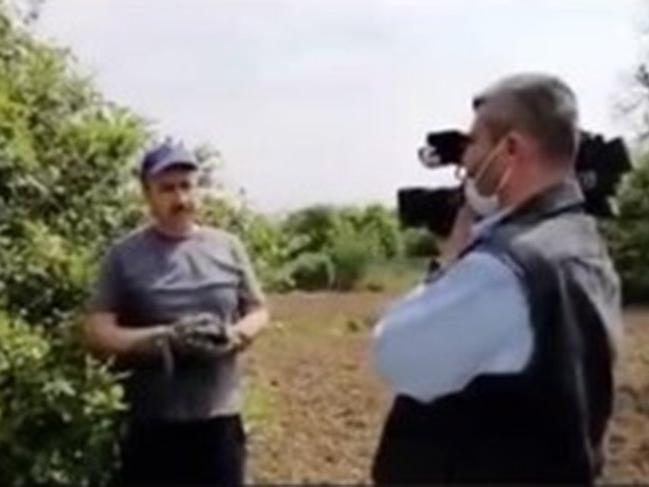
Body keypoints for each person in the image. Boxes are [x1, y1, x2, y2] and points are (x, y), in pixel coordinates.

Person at [371, 73, 622, 484]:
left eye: (473, 144)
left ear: (511, 148)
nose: (466, 164)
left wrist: (450, 262)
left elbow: (393, 355)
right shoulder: (578, 238)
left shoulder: (502, 270)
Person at [83, 141, 269, 486]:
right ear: (147, 195)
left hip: (219, 421)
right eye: (167, 189)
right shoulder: (123, 256)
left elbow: (258, 310)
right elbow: (97, 331)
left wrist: (236, 335)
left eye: (187, 186)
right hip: (152, 424)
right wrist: (161, 340)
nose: (180, 198)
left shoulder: (228, 246)